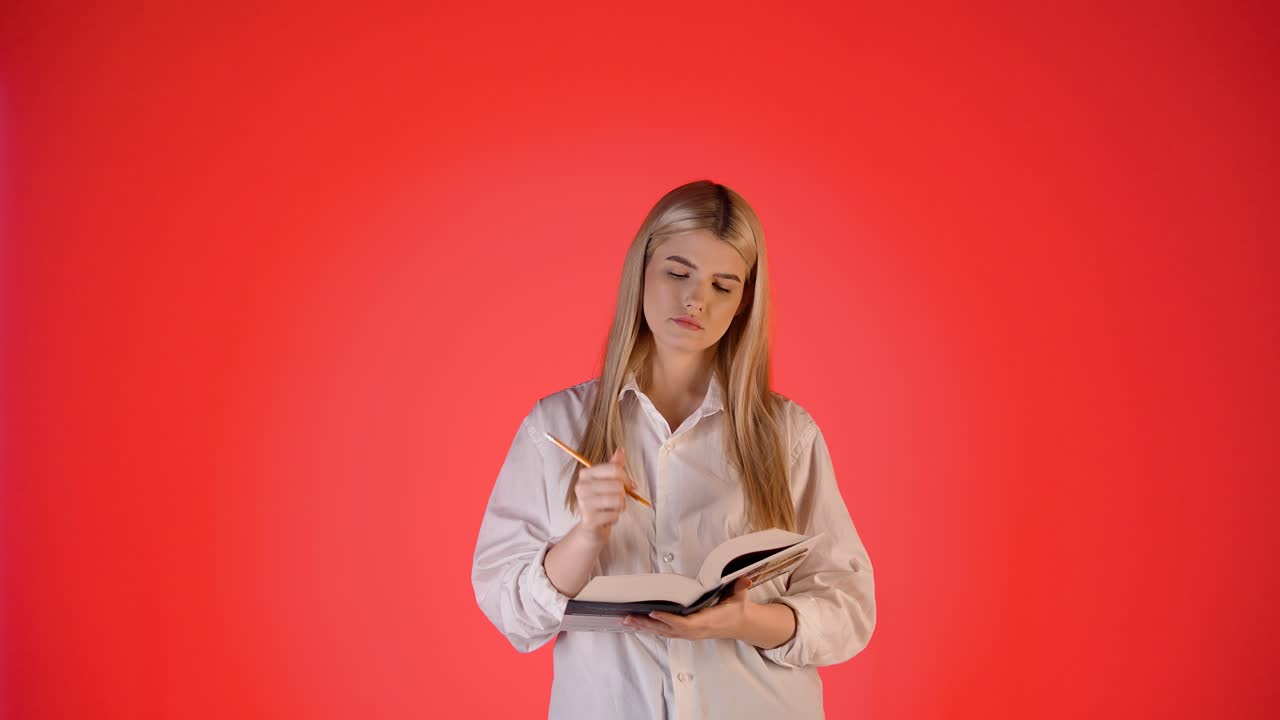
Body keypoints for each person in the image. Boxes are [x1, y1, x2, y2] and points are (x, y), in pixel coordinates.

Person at [471, 180, 876, 719]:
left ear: (743, 303)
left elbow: (847, 607)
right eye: (678, 273)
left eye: (723, 286)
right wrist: (587, 534)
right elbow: (510, 608)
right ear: (641, 269)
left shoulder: (786, 434)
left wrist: (745, 622)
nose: (696, 300)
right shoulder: (557, 424)